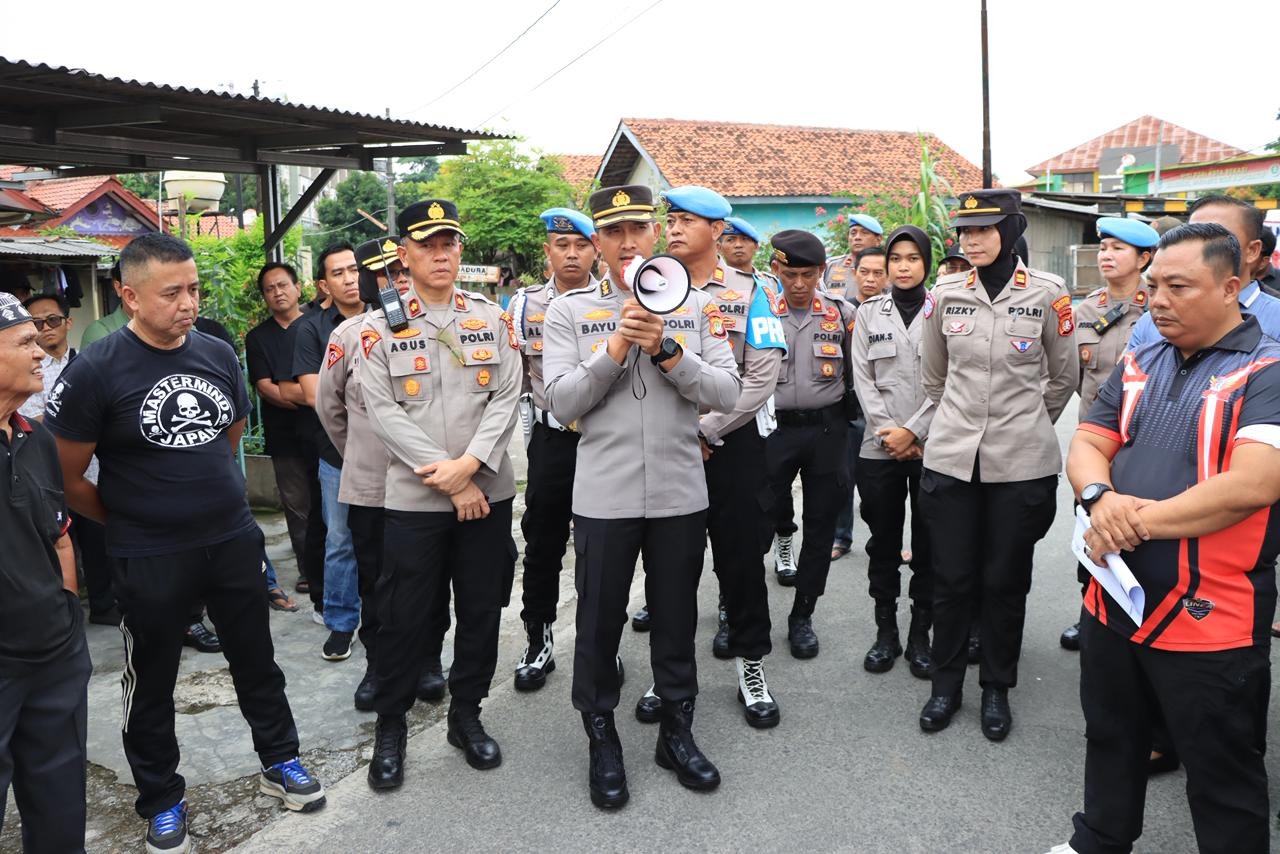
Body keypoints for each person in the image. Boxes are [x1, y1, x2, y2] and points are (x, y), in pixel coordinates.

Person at [45, 232, 324, 853]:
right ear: (130, 296)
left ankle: (282, 761)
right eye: (172, 293)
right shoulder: (97, 369)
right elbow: (67, 477)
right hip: (148, 555)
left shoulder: (217, 353)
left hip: (230, 540)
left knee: (257, 662)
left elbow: (229, 438)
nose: (189, 303)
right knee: (153, 681)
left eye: (194, 289)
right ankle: (162, 798)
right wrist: (129, 522)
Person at [1059, 222, 1279, 854]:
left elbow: (1254, 483)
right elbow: (1089, 441)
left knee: (1222, 769)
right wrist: (1099, 498)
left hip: (1210, 612)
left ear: (1233, 286)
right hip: (1114, 595)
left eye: (1178, 286)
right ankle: (1098, 840)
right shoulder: (1141, 357)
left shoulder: (1267, 371)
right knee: (1111, 733)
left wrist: (1130, 520)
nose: (1157, 299)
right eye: (1154, 285)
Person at [542, 184, 741, 808]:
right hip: (604, 496)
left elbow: (726, 394)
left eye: (639, 229)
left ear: (655, 234)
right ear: (598, 243)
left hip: (681, 492)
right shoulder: (570, 313)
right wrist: (617, 348)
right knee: (599, 620)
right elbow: (561, 402)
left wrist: (668, 349)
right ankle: (602, 736)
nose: (627, 242)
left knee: (677, 617)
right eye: (613, 233)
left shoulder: (698, 308)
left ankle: (676, 731)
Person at [360, 199, 520, 790]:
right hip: (417, 498)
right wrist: (451, 477)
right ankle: (392, 727)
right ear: (404, 254)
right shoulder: (380, 329)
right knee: (404, 616)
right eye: (427, 244)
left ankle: (466, 716)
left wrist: (472, 467)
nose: (441, 253)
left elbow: (507, 396)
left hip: (486, 491)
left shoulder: (489, 318)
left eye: (449, 242)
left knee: (480, 609)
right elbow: (384, 413)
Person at [917, 189, 1077, 740]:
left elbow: (1063, 378)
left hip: (1020, 464)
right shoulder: (944, 295)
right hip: (953, 460)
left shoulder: (1048, 295)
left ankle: (995, 688)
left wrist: (1026, 421)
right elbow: (934, 377)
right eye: (964, 231)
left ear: (1011, 230)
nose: (971, 240)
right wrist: (958, 425)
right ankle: (944, 687)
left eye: (984, 230)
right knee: (951, 578)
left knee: (1005, 580)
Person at [641, 185, 786, 729]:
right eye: (670, 219)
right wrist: (684, 432)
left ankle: (752, 667)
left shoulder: (752, 293)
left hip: (732, 444)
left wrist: (708, 427)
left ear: (718, 231)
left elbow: (761, 377)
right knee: (669, 566)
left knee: (742, 560)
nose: (674, 229)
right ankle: (667, 671)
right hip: (667, 445)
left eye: (687, 221)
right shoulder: (650, 287)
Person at [316, 238, 448, 711]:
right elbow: (329, 408)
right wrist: (359, 457)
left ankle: (429, 661)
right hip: (372, 487)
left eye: (399, 270)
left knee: (429, 579)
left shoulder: (441, 329)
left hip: (427, 483)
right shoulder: (350, 336)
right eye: (384, 273)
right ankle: (380, 666)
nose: (394, 281)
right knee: (375, 583)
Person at [507, 208, 617, 692]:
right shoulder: (525, 304)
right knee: (544, 540)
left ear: (595, 250)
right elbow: (514, 380)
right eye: (561, 246)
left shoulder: (618, 299)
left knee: (606, 547)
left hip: (606, 439)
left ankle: (602, 645)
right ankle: (539, 637)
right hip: (553, 440)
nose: (571, 254)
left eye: (580, 245)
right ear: (546, 251)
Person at [0, 292, 92, 853]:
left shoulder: (38, 442)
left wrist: (66, 614)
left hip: (54, 654)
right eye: (24, 342)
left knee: (60, 808)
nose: (41, 353)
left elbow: (59, 537)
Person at [1057, 218, 1158, 653]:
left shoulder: (1158, 308)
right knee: (1091, 529)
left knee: (1143, 531)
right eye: (1103, 247)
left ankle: (1145, 616)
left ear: (1145, 258)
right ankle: (1091, 614)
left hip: (1145, 444)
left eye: (1118, 248)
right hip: (1096, 445)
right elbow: (1071, 376)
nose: (1106, 255)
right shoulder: (1083, 311)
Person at [764, 229, 857, 660]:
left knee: (820, 527)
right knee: (753, 522)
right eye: (789, 274)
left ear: (822, 271)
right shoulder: (759, 311)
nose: (798, 284)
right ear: (775, 270)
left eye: (807, 275)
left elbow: (859, 375)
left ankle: (803, 615)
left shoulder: (842, 313)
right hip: (772, 431)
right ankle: (739, 611)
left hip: (826, 432)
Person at [850, 226, 936, 679]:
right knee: (882, 542)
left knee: (928, 544)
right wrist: (891, 433)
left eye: (912, 258)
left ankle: (921, 635)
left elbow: (948, 381)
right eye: (896, 259)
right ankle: (886, 633)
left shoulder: (944, 311)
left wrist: (914, 431)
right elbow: (862, 378)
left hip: (932, 446)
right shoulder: (868, 313)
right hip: (878, 447)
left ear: (927, 264)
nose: (903, 267)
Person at [290, 244, 364, 660]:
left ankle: (391, 619)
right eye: (339, 273)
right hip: (338, 453)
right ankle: (340, 621)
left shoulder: (389, 316)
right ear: (324, 285)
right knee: (340, 540)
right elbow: (316, 395)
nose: (350, 278)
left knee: (397, 538)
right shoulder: (311, 329)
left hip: (397, 452)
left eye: (355, 269)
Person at [1126, 195, 1280, 349]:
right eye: (1191, 234)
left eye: (1216, 236)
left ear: (1253, 250)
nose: (1197, 245)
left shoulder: (1275, 319)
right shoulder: (1151, 322)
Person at [245, 263, 312, 608]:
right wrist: (312, 400)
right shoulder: (259, 337)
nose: (277, 292)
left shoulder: (317, 324)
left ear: (298, 288)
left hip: (326, 432)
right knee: (297, 504)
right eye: (269, 289)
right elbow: (265, 387)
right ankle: (308, 569)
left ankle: (338, 562)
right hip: (286, 434)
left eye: (283, 285)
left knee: (331, 501)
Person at [828, 246, 885, 561]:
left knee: (879, 480)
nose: (871, 279)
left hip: (882, 406)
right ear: (854, 274)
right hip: (847, 406)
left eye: (878, 273)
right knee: (843, 476)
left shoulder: (892, 311)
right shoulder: (840, 311)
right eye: (865, 272)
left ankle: (883, 537)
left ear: (887, 276)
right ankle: (841, 537)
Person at [823, 213, 884, 295]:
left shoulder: (887, 267)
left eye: (864, 233)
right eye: (853, 233)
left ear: (878, 240)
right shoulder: (830, 265)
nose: (857, 237)